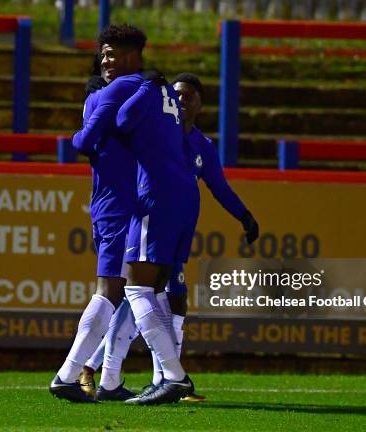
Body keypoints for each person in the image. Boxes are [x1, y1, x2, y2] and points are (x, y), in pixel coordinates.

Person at [80, 73, 259, 403]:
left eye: (190, 95)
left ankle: (161, 378)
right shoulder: (160, 133)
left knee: (170, 297)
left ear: (201, 103)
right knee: (140, 293)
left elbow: (219, 186)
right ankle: (107, 371)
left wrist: (244, 215)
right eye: (178, 95)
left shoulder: (203, 145)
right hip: (146, 218)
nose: (183, 100)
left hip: (177, 226)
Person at [49, 24, 148, 404]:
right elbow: (84, 141)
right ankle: (69, 374)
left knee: (131, 292)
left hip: (125, 204)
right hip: (118, 205)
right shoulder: (123, 91)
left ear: (132, 56)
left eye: (112, 53)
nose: (105, 60)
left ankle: (108, 380)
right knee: (114, 291)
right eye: (103, 54)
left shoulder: (123, 92)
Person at [112, 75, 200, 405]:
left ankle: (172, 377)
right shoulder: (172, 129)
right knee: (152, 293)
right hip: (177, 208)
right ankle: (158, 377)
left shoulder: (151, 105)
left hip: (155, 204)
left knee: (135, 290)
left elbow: (120, 122)